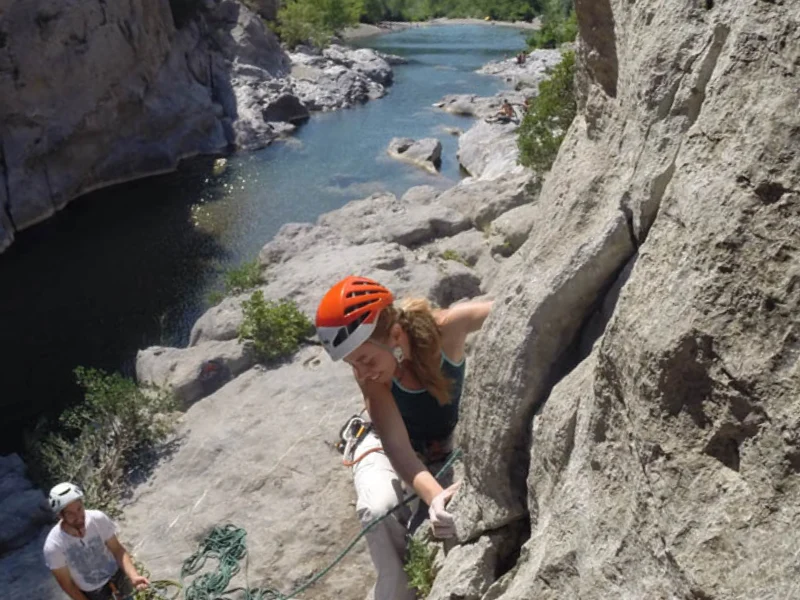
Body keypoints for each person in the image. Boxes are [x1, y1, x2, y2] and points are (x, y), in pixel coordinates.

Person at [316, 276, 492, 600]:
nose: (362, 373)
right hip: (384, 442)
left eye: (366, 360)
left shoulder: (446, 329)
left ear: (395, 335)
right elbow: (398, 449)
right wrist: (437, 497)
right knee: (376, 510)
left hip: (443, 441)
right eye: (353, 365)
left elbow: (515, 308)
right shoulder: (373, 379)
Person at [43, 482, 150, 600]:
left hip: (117, 575)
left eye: (79, 509)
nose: (78, 516)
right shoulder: (54, 546)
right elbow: (67, 584)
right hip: (93, 591)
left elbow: (117, 550)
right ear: (60, 516)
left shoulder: (98, 519)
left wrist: (134, 576)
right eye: (70, 514)